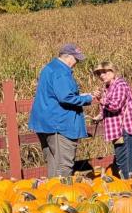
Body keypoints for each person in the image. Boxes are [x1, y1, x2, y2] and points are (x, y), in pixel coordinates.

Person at [29, 44, 94, 177]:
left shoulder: (49, 68)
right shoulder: (61, 72)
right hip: (60, 124)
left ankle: (52, 193)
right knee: (64, 164)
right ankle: (62, 193)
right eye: (76, 59)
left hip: (46, 123)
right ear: (68, 57)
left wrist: (81, 96)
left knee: (54, 162)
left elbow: (55, 94)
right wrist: (88, 99)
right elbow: (65, 97)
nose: (77, 63)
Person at [91, 62, 132, 179]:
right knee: (130, 156)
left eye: (104, 72)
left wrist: (100, 99)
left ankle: (127, 183)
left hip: (125, 127)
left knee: (123, 158)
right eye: (99, 73)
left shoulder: (120, 85)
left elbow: (115, 106)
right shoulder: (108, 87)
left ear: (113, 71)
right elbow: (108, 107)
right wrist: (100, 116)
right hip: (118, 128)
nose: (101, 75)